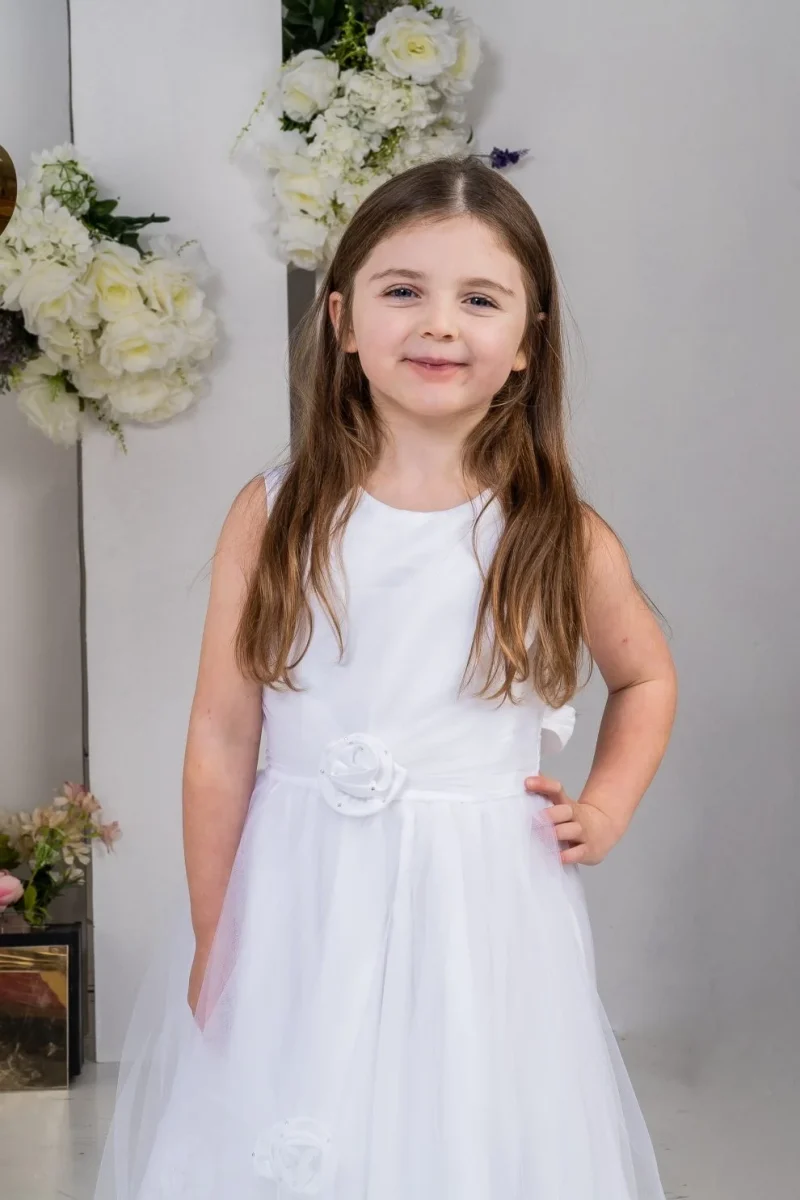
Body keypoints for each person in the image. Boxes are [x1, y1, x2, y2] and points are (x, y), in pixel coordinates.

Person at [93, 154, 677, 1199]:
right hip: (302, 892)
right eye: (403, 290)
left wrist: (608, 806)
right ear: (343, 322)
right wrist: (220, 931)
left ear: (526, 343)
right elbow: (222, 735)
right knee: (295, 1118)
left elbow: (645, 678)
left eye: (479, 300)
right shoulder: (275, 514)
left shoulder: (554, 531)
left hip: (480, 905)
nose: (438, 324)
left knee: (459, 1125)